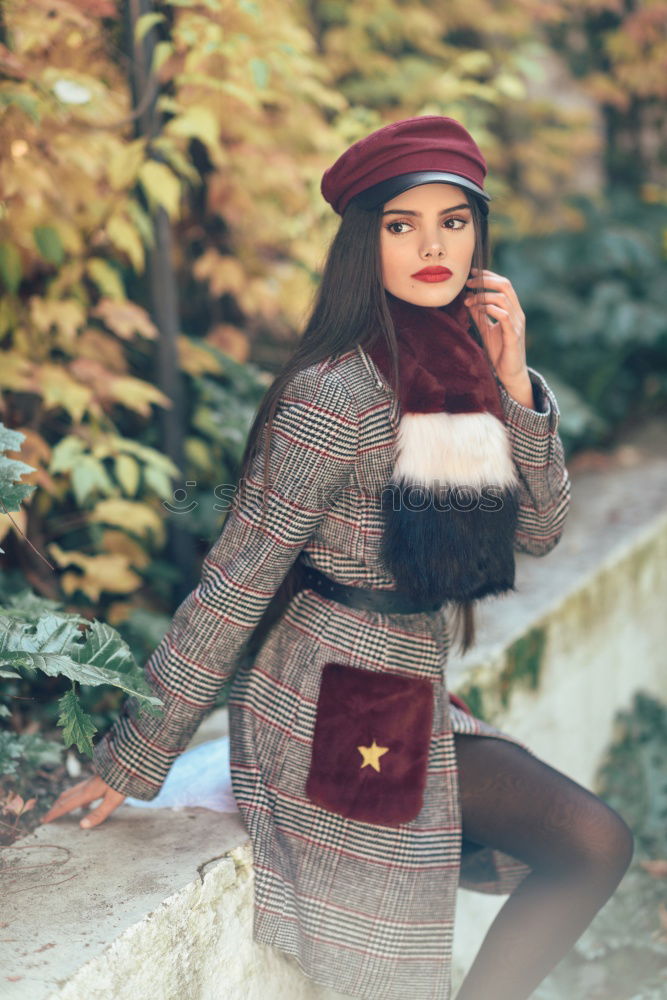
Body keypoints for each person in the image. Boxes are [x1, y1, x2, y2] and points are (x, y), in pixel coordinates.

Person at [41, 116, 634, 1000]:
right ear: (366, 243)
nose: (432, 244)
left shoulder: (461, 377)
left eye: (453, 221)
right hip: (329, 699)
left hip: (409, 686)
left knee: (586, 847)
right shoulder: (336, 395)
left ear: (478, 238)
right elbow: (236, 585)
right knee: (551, 864)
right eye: (403, 225)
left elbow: (540, 532)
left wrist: (515, 387)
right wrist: (131, 758)